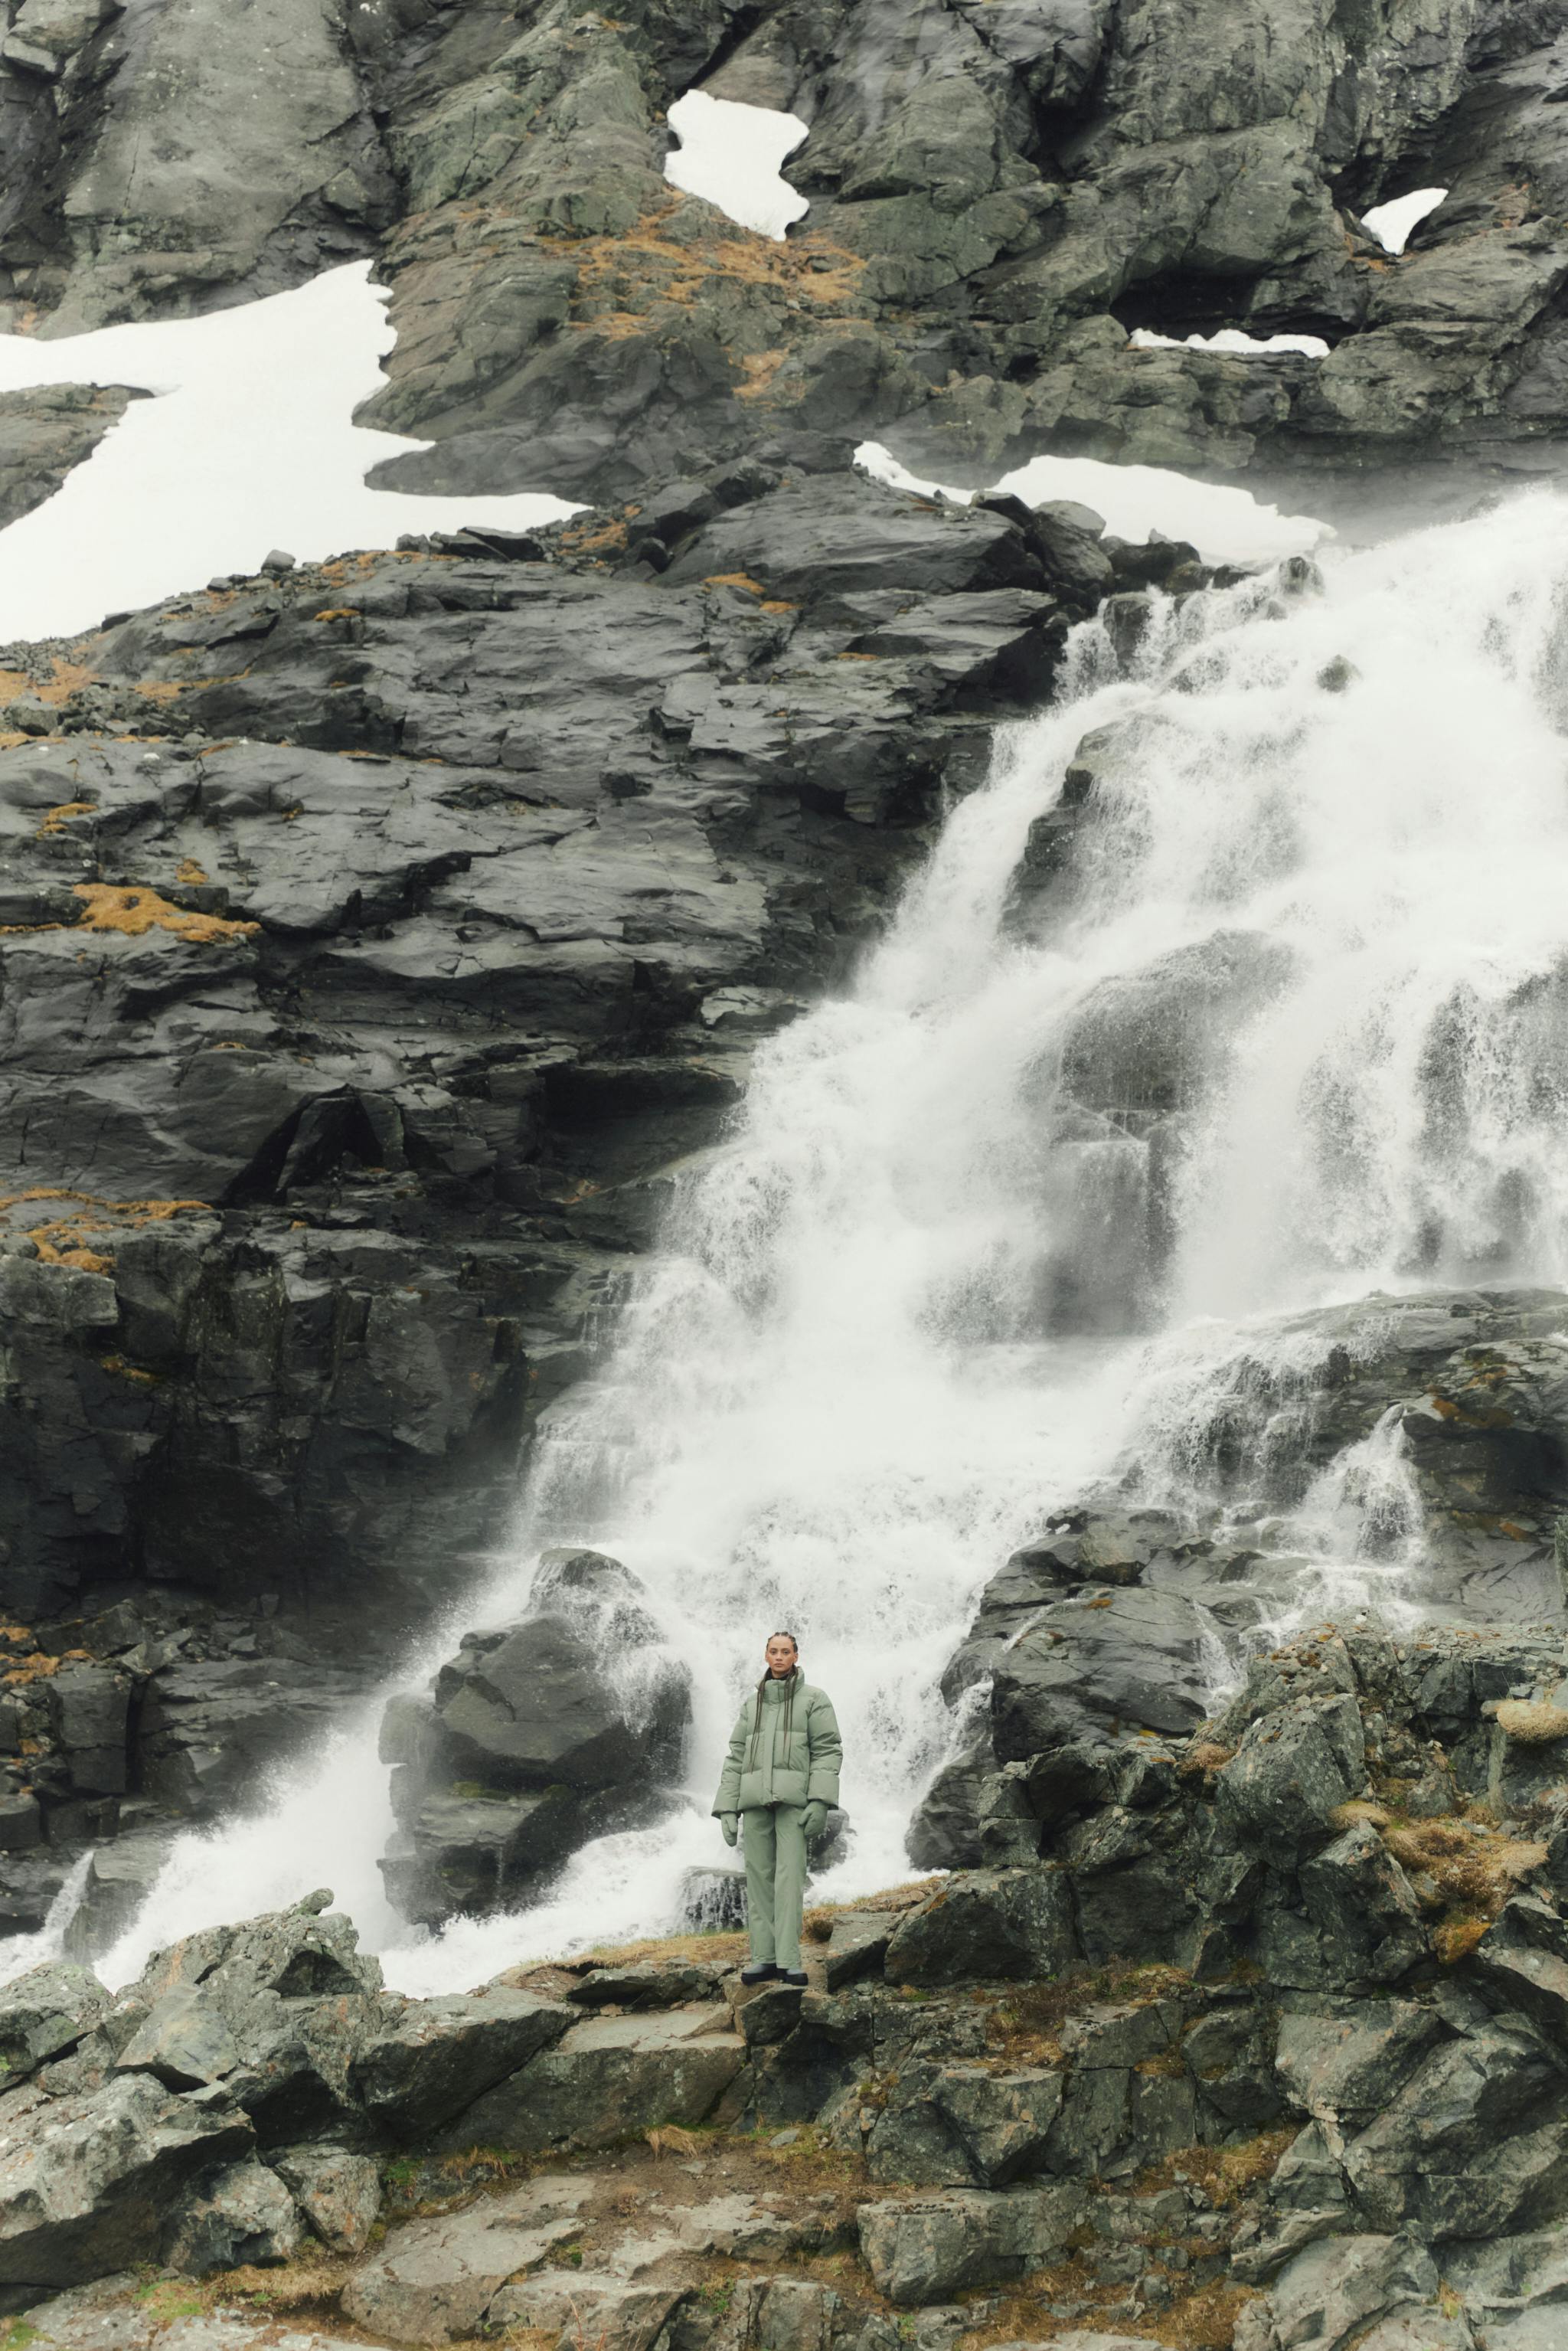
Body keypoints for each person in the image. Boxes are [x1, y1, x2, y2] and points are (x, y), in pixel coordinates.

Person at [713, 1631, 842, 1985]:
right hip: (755, 1803)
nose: (780, 1657)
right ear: (766, 1656)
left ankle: (788, 1961)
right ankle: (764, 1959)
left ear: (796, 1656)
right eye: (774, 1651)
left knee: (789, 1880)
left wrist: (819, 1801)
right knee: (758, 1880)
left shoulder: (814, 1699)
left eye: (786, 1651)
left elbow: (828, 1750)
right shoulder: (751, 1704)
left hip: (793, 1805)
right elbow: (736, 1757)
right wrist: (727, 1809)